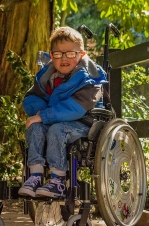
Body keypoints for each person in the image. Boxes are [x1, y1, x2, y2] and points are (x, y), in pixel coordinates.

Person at [18, 26, 108, 198]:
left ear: (81, 55)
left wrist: (44, 116)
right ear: (51, 56)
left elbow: (75, 108)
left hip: (85, 122)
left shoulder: (89, 78)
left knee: (56, 130)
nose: (64, 58)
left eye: (70, 54)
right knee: (35, 128)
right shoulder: (48, 76)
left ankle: (57, 181)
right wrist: (41, 114)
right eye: (58, 54)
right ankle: (35, 176)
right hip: (55, 119)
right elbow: (31, 98)